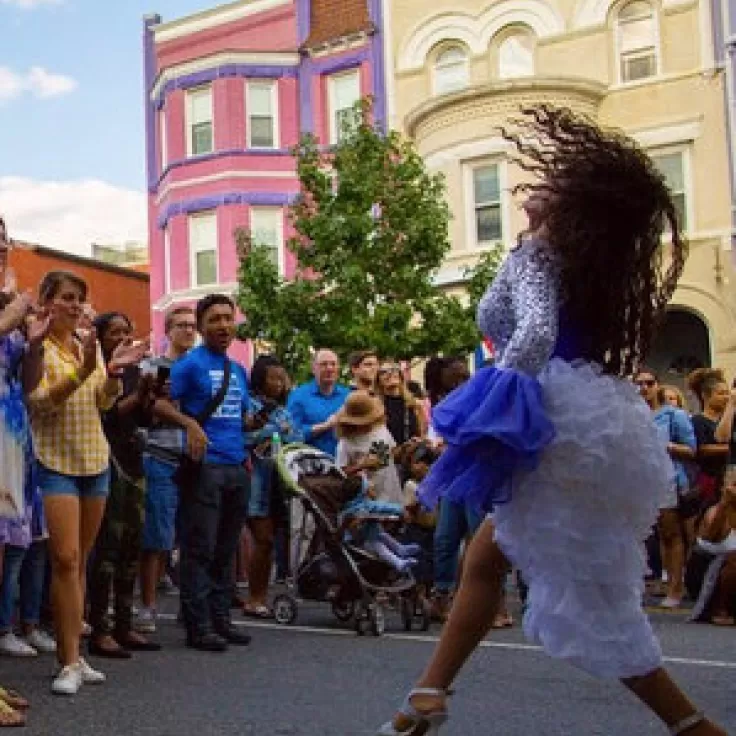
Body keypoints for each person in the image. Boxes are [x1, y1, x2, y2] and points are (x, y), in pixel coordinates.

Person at [376, 105, 727, 736]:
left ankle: (693, 725)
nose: (538, 181)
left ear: (570, 203)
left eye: (556, 178)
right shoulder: (584, 264)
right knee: (489, 563)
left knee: (588, 594)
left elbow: (535, 334)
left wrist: (497, 403)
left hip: (557, 422)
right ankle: (426, 695)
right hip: (593, 418)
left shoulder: (539, 252)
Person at [28, 271, 147, 695]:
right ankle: (66, 662)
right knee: (63, 558)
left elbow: (104, 401)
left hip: (95, 461)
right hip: (54, 461)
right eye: (66, 297)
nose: (76, 306)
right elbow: (38, 402)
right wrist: (81, 372)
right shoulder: (37, 345)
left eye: (80, 299)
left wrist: (112, 371)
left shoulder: (86, 344)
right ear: (46, 301)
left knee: (79, 562)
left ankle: (75, 656)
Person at [157, 294, 251, 652]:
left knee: (227, 549)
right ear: (201, 325)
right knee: (200, 548)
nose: (223, 325)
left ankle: (221, 620)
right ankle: (198, 626)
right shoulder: (188, 365)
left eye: (228, 318)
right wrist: (189, 425)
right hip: (204, 468)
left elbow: (241, 415)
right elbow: (160, 403)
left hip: (236, 466)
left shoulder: (238, 370)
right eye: (214, 319)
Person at [86, 312, 160, 659]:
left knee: (132, 545)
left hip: (134, 459)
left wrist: (148, 393)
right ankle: (100, 628)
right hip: (107, 461)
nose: (122, 339)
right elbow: (109, 413)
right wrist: (137, 395)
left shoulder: (134, 370)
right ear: (99, 337)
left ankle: (124, 624)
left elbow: (143, 417)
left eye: (126, 332)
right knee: (108, 549)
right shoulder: (100, 369)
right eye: (114, 333)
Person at [0, 215, 48, 726]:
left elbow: (29, 384)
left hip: (12, 437)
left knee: (5, 551)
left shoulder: (7, 302)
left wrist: (33, 340)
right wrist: (11, 317)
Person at [137, 305, 197, 634]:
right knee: (157, 537)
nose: (188, 331)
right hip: (159, 454)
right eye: (181, 325)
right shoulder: (156, 367)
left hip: (192, 460)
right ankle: (147, 606)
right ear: (168, 330)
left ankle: (189, 605)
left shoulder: (201, 368)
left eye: (192, 325)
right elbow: (149, 412)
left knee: (187, 535)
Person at [242, 355, 302, 619]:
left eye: (281, 378)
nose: (278, 383)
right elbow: (242, 434)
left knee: (266, 541)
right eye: (272, 378)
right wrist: (267, 434)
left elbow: (296, 437)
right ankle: (251, 596)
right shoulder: (250, 405)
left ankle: (258, 595)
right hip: (251, 478)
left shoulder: (282, 411)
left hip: (276, 482)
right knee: (260, 538)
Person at [636, 368, 697, 608]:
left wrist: (666, 445)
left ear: (657, 385)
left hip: (668, 477)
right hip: (641, 479)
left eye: (649, 383)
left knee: (672, 533)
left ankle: (676, 586)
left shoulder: (673, 415)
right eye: (639, 384)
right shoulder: (633, 416)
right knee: (658, 534)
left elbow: (691, 449)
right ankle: (666, 581)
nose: (644, 388)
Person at [335, 391, 403, 505]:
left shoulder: (381, 429)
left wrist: (405, 448)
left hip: (390, 491)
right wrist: (362, 465)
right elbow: (340, 472)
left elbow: (392, 454)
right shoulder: (346, 441)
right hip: (364, 499)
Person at [287, 349, 350, 457]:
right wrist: (325, 426)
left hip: (345, 466)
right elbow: (291, 435)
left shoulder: (348, 396)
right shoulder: (298, 396)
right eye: (324, 364)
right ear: (313, 369)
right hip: (311, 465)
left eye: (333, 364)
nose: (329, 368)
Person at [688, 369, 731, 508]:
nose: (726, 397)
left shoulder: (729, 419)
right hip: (711, 479)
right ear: (705, 395)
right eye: (721, 393)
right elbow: (702, 449)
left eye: (727, 393)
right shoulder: (698, 421)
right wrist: (730, 448)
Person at [376, 362, 426, 448]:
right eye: (383, 372)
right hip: (386, 456)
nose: (389, 373)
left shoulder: (415, 404)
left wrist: (420, 442)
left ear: (400, 377)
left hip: (412, 456)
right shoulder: (375, 405)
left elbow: (423, 434)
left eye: (394, 369)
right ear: (378, 380)